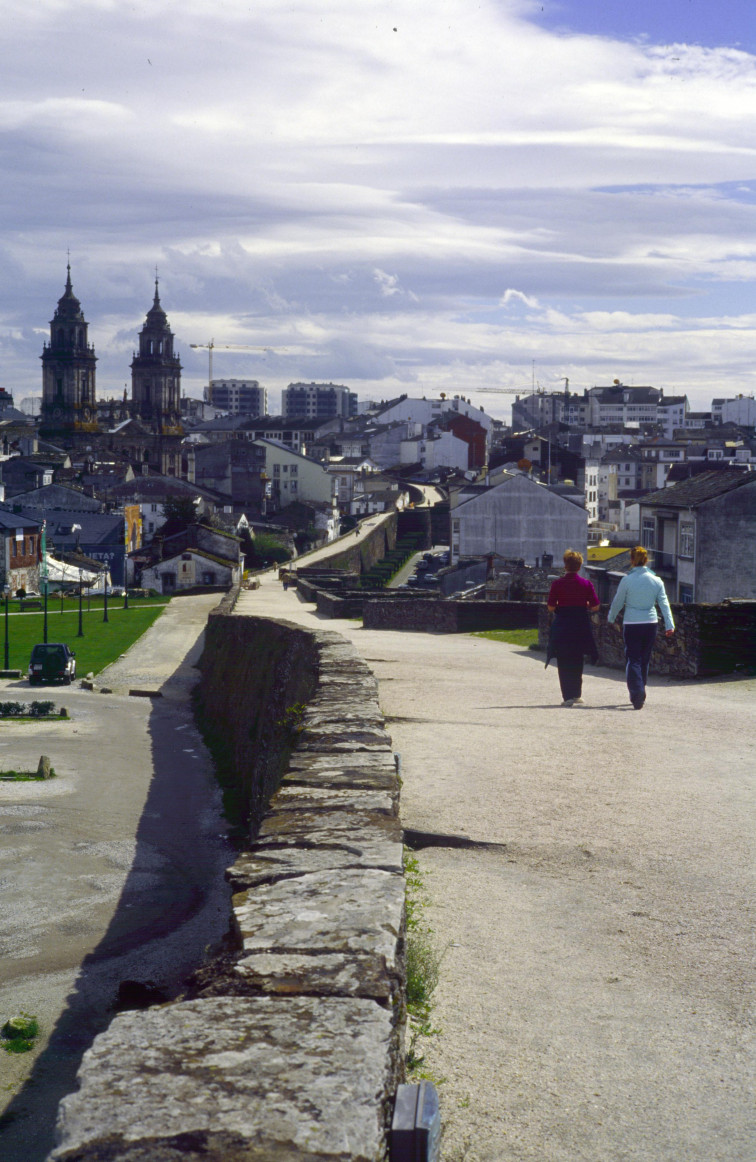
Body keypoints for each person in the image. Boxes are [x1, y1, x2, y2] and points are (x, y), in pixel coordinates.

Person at [607, 545, 675, 710]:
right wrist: (669, 624)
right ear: (646, 561)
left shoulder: (627, 580)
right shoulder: (656, 580)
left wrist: (611, 617)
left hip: (632, 623)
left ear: (632, 560)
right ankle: (641, 689)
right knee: (644, 659)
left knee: (633, 659)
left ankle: (637, 693)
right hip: (650, 622)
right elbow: (664, 604)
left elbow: (618, 601)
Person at [545, 549, 600, 707]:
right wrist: (585, 604)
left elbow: (550, 607)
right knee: (577, 658)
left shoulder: (557, 584)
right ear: (580, 565)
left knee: (564, 660)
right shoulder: (586, 584)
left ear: (565, 565)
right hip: (580, 624)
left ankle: (567, 696)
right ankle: (577, 694)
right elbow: (595, 606)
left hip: (563, 624)